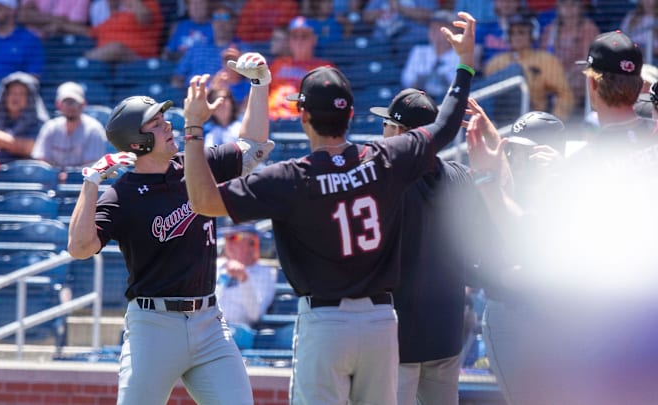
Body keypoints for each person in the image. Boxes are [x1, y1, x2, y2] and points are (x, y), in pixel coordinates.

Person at [182, 12, 476, 405]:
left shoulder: (289, 177)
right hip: (380, 324)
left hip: (326, 323)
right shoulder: (384, 158)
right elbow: (445, 125)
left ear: (302, 115)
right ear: (351, 114)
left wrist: (193, 129)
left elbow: (202, 201)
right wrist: (464, 64)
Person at [66, 51, 276, 405]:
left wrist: (258, 84)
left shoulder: (195, 165)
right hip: (153, 326)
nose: (168, 125)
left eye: (165, 118)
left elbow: (253, 148)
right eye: (156, 123)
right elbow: (79, 247)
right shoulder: (122, 195)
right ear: (137, 142)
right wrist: (90, 184)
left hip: (210, 321)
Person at [468, 30, 658, 405]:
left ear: (592, 84)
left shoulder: (581, 168)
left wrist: (491, 175)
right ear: (638, 86)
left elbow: (527, 240)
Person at [371, 92, 502, 405]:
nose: (383, 133)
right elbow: (481, 248)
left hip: (397, 337)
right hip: (445, 332)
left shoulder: (386, 178)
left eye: (388, 125)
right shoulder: (459, 176)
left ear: (402, 133)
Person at [484, 13, 575, 121]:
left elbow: (564, 94)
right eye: (512, 33)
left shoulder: (546, 60)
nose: (517, 37)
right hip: (499, 120)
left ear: (533, 35)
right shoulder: (496, 62)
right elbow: (487, 95)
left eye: (521, 32)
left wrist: (554, 122)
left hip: (532, 119)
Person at [215, 224, 277, 346]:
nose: (228, 242)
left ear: (252, 243)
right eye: (227, 237)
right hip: (211, 329)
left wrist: (244, 278)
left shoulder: (266, 272)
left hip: (241, 332)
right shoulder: (216, 266)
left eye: (234, 237)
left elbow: (255, 315)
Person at [0, 71, 50, 164]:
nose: (15, 97)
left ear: (30, 98)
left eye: (21, 93)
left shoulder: (39, 122)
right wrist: (18, 145)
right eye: (12, 92)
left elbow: (35, 150)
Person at [539, 0, 600, 112]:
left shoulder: (589, 28)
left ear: (580, 6)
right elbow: (543, 58)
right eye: (564, 3)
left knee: (572, 84)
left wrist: (566, 75)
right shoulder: (550, 29)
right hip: (554, 75)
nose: (568, 7)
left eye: (572, 3)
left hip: (577, 75)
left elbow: (588, 61)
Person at [268, 16, 333, 120]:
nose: (299, 41)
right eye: (294, 36)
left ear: (314, 39)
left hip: (302, 124)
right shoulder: (277, 64)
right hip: (270, 121)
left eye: (304, 36)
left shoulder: (325, 69)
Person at [31, 82, 107, 170]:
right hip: (52, 183)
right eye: (66, 102)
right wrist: (56, 176)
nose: (70, 106)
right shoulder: (49, 128)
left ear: (83, 105)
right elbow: (41, 162)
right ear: (58, 105)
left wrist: (69, 177)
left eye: (74, 102)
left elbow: (92, 168)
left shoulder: (94, 130)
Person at [171, 3, 240, 89]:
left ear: (233, 22)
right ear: (212, 22)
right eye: (216, 18)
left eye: (224, 17)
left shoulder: (240, 49)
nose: (220, 22)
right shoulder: (197, 47)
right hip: (194, 96)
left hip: (223, 96)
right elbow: (178, 76)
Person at [401, 9, 461, 101]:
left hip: (447, 102)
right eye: (432, 28)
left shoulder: (460, 56)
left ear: (454, 32)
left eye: (440, 28)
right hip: (417, 101)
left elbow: (458, 87)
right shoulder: (419, 51)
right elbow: (407, 80)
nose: (434, 32)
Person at [81, 0, 164, 63]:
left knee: (116, 48)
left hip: (140, 60)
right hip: (111, 59)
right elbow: (91, 32)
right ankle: (81, 62)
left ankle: (85, 60)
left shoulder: (150, 4)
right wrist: (67, 25)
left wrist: (133, 2)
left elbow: (144, 18)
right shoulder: (118, 15)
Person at [362, 0, 437, 44]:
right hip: (381, 43)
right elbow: (366, 17)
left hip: (413, 42)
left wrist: (400, 8)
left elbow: (429, 15)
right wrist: (382, 11)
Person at [17, 0, 91, 39]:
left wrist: (37, 19)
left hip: (60, 43)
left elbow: (78, 28)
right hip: (29, 41)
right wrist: (59, 21)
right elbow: (22, 15)